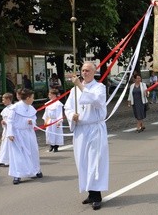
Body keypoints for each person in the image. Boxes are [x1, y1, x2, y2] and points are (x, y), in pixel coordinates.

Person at [64, 62, 109, 210]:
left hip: (94, 128)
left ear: (94, 72)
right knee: (82, 161)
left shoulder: (99, 87)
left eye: (88, 70)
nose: (85, 73)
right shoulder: (73, 91)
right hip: (81, 130)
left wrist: (80, 86)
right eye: (83, 70)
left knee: (94, 161)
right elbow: (68, 107)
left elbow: (96, 101)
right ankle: (90, 192)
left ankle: (97, 196)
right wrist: (72, 116)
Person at [6, 88, 42, 185]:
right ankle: (17, 175)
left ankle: (36, 170)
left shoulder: (31, 108)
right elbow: (9, 121)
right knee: (18, 155)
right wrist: (10, 133)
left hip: (29, 133)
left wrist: (32, 122)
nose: (33, 99)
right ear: (27, 98)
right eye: (32, 98)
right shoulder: (15, 108)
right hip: (18, 134)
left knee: (33, 151)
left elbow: (34, 118)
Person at [0, 93, 14, 168]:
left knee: (8, 145)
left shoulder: (13, 108)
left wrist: (6, 123)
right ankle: (2, 160)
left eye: (4, 99)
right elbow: (4, 119)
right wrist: (3, 123)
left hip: (10, 130)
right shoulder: (5, 110)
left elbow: (12, 120)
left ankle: (6, 161)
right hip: (6, 130)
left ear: (8, 99)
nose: (2, 101)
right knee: (4, 145)